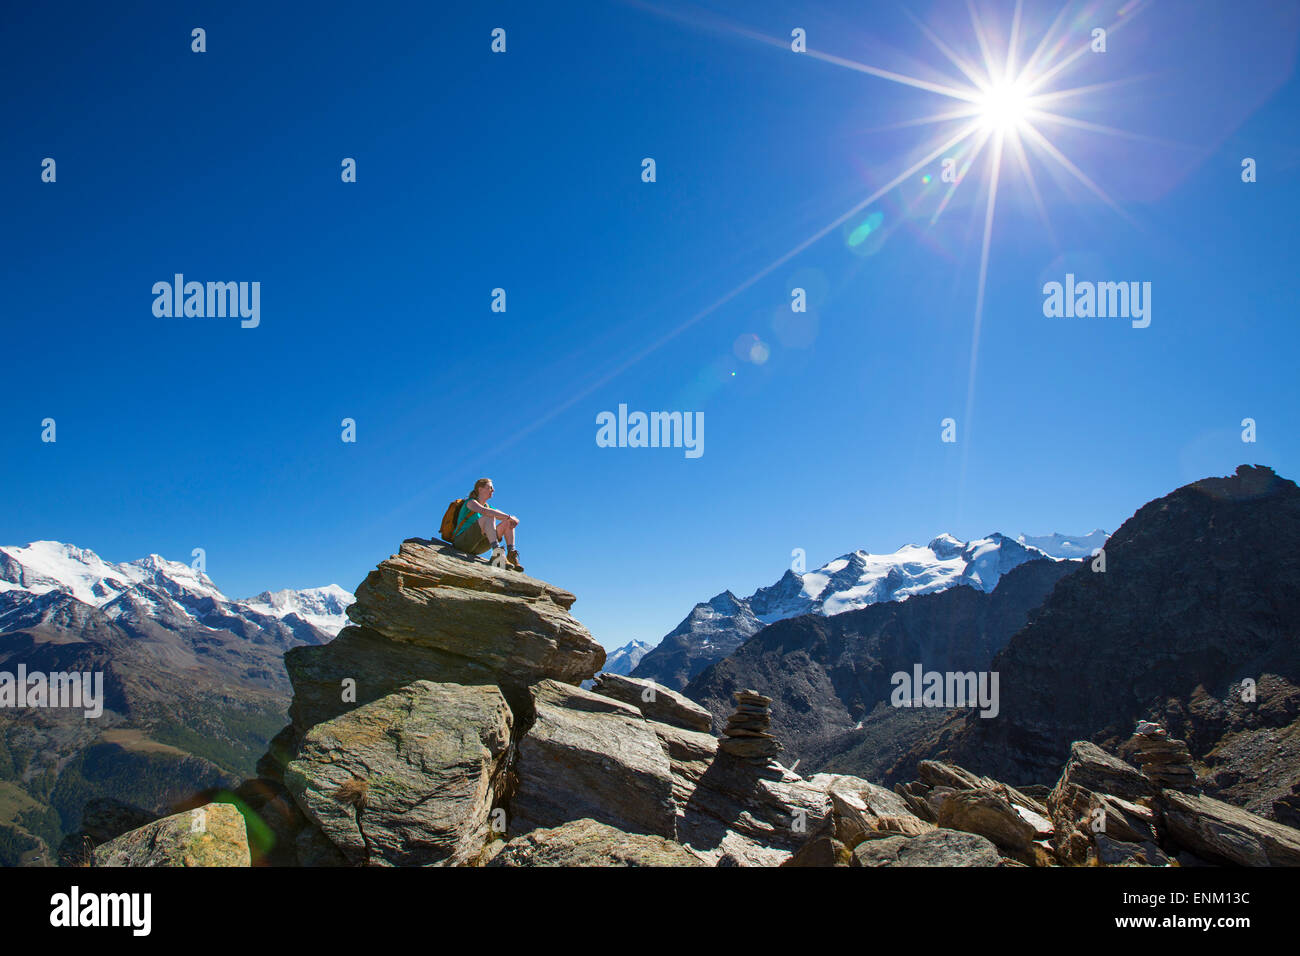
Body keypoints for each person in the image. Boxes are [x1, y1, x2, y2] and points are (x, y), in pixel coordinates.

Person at [451, 478, 523, 572]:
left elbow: (501, 516)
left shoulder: (488, 507)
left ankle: (511, 555)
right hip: (462, 542)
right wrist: (509, 516)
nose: (493, 490)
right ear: (480, 489)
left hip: (477, 547)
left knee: (508, 522)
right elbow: (484, 511)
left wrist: (511, 519)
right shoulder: (470, 502)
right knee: (489, 516)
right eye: (490, 487)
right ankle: (497, 554)